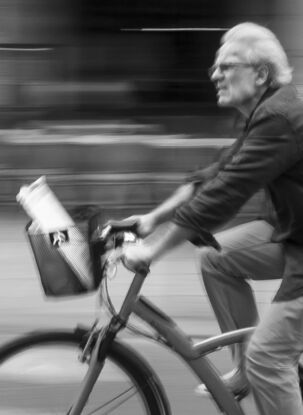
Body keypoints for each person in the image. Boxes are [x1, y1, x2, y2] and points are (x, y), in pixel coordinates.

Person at [118, 22, 303, 415]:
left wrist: (152, 250)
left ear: (260, 74)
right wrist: (151, 219)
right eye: (214, 66)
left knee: (268, 358)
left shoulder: (280, 118)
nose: (214, 74)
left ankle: (258, 366)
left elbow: (224, 195)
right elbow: (216, 174)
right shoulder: (268, 109)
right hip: (289, 231)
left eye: (227, 65)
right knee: (217, 259)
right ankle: (244, 368)